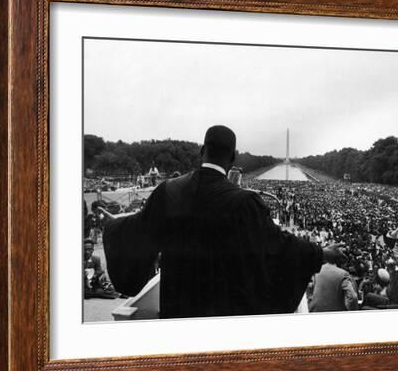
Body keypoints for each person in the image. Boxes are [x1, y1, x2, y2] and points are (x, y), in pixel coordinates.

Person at [102, 125, 344, 319]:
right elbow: (279, 245)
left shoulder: (168, 190)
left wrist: (113, 226)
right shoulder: (245, 202)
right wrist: (321, 253)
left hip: (176, 309)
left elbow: (139, 229)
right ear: (232, 157)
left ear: (201, 151)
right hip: (220, 313)